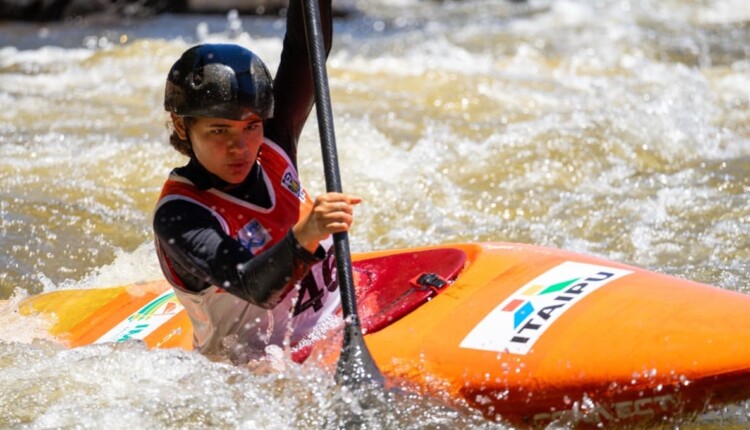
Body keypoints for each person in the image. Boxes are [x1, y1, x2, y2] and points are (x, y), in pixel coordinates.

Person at [153, 0, 359, 364]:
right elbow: (250, 284)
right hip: (259, 372)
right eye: (220, 131)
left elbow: (306, 48)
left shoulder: (273, 143)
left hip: (338, 323)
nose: (241, 146)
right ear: (182, 126)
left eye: (251, 126)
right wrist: (305, 234)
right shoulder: (180, 215)